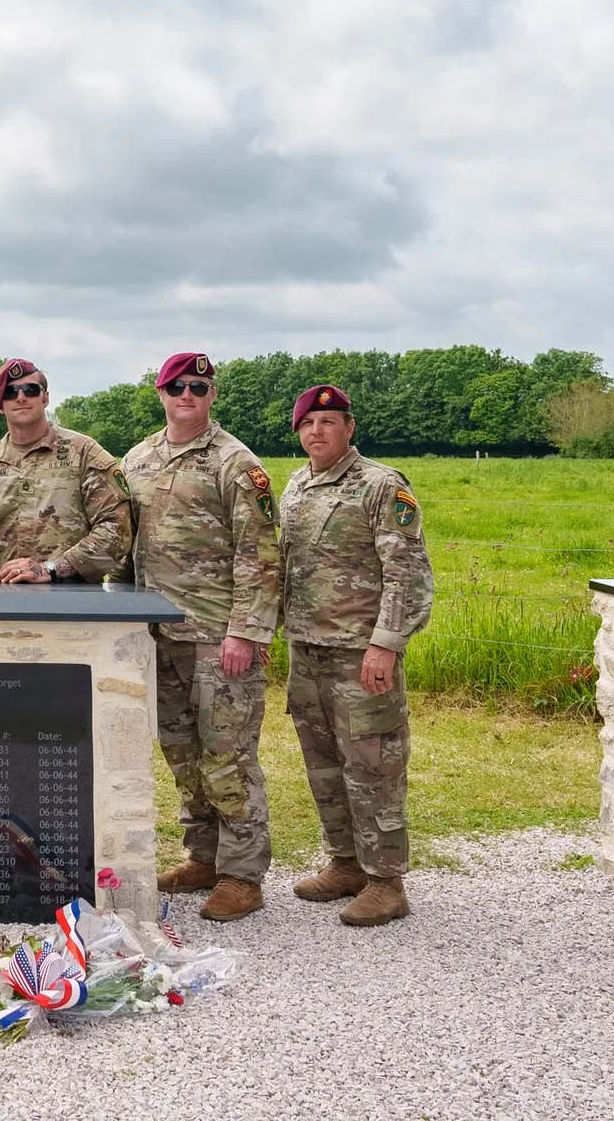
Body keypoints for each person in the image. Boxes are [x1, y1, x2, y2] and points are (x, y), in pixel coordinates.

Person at [120, 351, 280, 923]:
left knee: (227, 756)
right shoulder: (138, 459)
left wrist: (247, 632)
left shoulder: (237, 464)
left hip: (219, 639)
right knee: (182, 753)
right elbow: (124, 546)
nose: (187, 394)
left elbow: (261, 555)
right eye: (176, 386)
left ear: (211, 395)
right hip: (159, 636)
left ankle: (242, 875)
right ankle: (204, 856)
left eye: (198, 386)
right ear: (160, 393)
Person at [279, 383, 433, 927]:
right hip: (308, 651)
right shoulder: (297, 485)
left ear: (349, 428)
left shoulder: (381, 485)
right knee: (324, 766)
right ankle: (346, 864)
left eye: (329, 422)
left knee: (374, 766)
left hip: (360, 655)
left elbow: (407, 573)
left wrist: (385, 645)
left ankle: (387, 882)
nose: (316, 431)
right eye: (307, 425)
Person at [0, 358, 132, 584]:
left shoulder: (84, 454)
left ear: (45, 398)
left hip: (73, 602)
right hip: (3, 604)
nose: (21, 397)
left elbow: (117, 526)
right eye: (10, 392)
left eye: (31, 390)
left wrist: (53, 568)